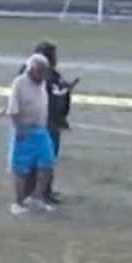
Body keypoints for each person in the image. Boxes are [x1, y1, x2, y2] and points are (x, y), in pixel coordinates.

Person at [21, 41, 78, 206]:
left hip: (47, 121)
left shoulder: (50, 74)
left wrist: (65, 89)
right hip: (41, 122)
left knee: (47, 158)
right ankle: (35, 192)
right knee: (41, 159)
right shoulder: (35, 74)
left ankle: (44, 190)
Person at [6, 52, 58, 214]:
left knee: (47, 162)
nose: (44, 75)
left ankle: (36, 197)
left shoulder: (41, 83)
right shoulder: (19, 83)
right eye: (41, 71)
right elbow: (13, 109)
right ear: (32, 69)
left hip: (40, 130)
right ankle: (18, 203)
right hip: (24, 129)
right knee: (21, 168)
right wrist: (19, 129)